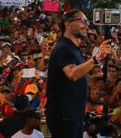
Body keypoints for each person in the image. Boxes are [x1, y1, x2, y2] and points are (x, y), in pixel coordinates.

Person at [45, 9, 112, 138]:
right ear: (68, 24)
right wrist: (96, 58)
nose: (86, 25)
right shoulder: (64, 48)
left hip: (73, 114)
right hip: (64, 114)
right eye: (82, 21)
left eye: (87, 21)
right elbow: (72, 74)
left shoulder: (73, 49)